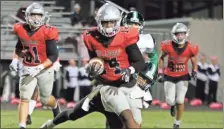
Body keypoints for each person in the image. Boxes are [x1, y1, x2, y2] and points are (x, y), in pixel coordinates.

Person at [40, 3, 146, 129]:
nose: (109, 26)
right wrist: (92, 70)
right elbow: (94, 62)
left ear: (118, 22)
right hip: (108, 87)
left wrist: (130, 69)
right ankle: (49, 125)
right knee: (73, 114)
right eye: (105, 22)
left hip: (128, 87)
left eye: (112, 22)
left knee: (131, 123)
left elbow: (140, 62)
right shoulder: (91, 37)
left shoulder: (126, 35)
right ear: (99, 22)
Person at [9, 2, 61, 128]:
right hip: (28, 66)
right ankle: (22, 125)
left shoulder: (48, 31)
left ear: (43, 16)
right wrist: (15, 59)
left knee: (45, 100)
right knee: (24, 97)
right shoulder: (20, 28)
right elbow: (19, 47)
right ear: (27, 16)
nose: (36, 18)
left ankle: (55, 106)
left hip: (45, 68)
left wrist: (41, 66)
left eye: (39, 15)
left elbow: (53, 55)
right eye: (33, 15)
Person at [158, 23, 198, 129]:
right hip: (169, 75)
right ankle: (172, 106)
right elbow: (161, 58)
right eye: (178, 34)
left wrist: (194, 71)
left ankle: (177, 123)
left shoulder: (191, 47)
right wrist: (160, 72)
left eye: (182, 34)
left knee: (180, 100)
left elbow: (194, 60)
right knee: (170, 100)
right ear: (173, 35)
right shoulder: (167, 45)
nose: (180, 36)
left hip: (183, 75)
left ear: (186, 34)